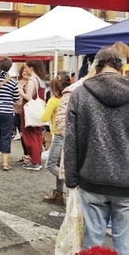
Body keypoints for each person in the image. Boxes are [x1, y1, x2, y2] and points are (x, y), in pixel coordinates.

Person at [64, 48, 129, 254]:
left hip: (91, 178)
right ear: (122, 67)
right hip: (126, 181)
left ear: (96, 66)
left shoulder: (80, 94)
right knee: (125, 241)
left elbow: (71, 141)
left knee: (92, 241)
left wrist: (71, 179)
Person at [41, 74, 70, 205]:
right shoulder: (71, 98)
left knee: (51, 164)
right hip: (69, 135)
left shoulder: (53, 101)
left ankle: (71, 182)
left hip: (58, 135)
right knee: (60, 164)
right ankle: (58, 194)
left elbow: (44, 117)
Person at [19, 60, 47, 171]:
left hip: (30, 111)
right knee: (38, 135)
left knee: (30, 137)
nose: (25, 69)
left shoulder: (32, 80)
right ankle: (37, 160)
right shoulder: (41, 80)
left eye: (27, 67)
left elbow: (28, 97)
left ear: (32, 68)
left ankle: (35, 161)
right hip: (39, 111)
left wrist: (21, 90)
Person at [15, 66, 31, 162]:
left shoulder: (31, 83)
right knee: (21, 133)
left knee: (28, 133)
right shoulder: (17, 84)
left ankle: (30, 154)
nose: (25, 72)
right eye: (23, 71)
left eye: (27, 71)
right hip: (17, 111)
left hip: (28, 112)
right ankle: (25, 153)